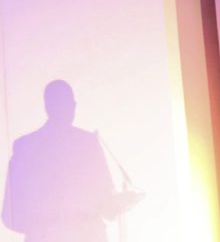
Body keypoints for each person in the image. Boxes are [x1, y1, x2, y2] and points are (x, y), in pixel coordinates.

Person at [2, 80, 139, 242]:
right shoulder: (88, 145)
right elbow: (106, 205)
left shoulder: (25, 147)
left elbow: (10, 216)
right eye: (66, 104)